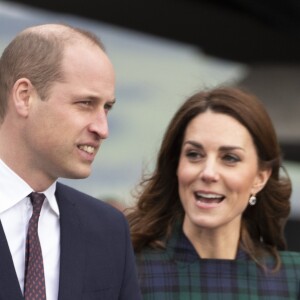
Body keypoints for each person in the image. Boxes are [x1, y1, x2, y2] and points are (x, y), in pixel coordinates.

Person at [0, 23, 141, 300]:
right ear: (24, 97)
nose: (103, 129)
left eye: (107, 108)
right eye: (86, 103)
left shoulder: (109, 230)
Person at [127, 86, 300, 299]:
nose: (208, 173)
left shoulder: (292, 279)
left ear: (260, 178)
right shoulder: (130, 271)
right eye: (194, 154)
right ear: (176, 166)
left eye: (229, 158)